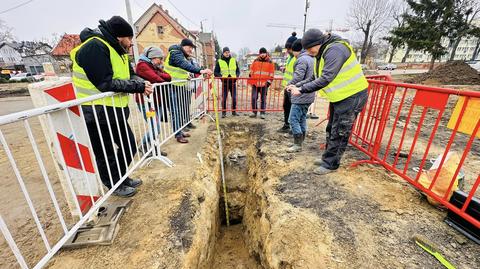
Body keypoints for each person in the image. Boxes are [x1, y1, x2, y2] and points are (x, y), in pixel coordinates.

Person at [71, 16, 153, 197]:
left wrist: (142, 83)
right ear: (119, 36)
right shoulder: (94, 47)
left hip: (114, 111)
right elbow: (104, 83)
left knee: (129, 145)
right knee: (105, 152)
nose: (131, 43)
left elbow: (130, 74)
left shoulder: (117, 50)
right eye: (129, 38)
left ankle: (121, 178)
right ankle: (114, 185)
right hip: (96, 112)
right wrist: (138, 86)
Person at [287, 29, 369, 175]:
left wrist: (301, 90)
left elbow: (325, 78)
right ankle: (327, 158)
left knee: (340, 131)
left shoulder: (335, 50)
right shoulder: (321, 52)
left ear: (317, 43)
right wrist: (298, 85)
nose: (308, 51)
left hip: (352, 96)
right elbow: (314, 77)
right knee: (331, 129)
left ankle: (331, 164)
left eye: (309, 48)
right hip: (340, 97)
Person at [164, 38, 212, 143]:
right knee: (176, 112)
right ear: (183, 46)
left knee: (180, 110)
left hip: (179, 86)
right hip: (172, 87)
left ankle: (180, 131)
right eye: (190, 47)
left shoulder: (181, 55)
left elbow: (181, 69)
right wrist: (201, 70)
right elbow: (183, 65)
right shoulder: (175, 53)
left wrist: (187, 76)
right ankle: (178, 134)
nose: (191, 50)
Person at [134, 46, 171, 157]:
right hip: (146, 103)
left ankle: (154, 148)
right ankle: (143, 146)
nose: (161, 61)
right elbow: (157, 79)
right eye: (160, 58)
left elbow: (169, 77)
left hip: (155, 102)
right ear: (153, 57)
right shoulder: (142, 66)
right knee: (155, 128)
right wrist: (159, 75)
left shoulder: (153, 66)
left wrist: (159, 74)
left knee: (155, 127)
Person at [286, 39, 315, 153]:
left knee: (293, 119)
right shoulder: (311, 58)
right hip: (308, 94)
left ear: (295, 50)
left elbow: (298, 77)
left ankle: (297, 144)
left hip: (301, 95)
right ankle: (300, 142)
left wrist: (290, 85)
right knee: (302, 118)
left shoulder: (302, 60)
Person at [248, 47, 275, 119]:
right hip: (255, 84)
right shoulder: (255, 61)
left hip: (264, 84)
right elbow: (251, 72)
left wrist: (268, 83)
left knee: (263, 99)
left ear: (266, 53)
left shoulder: (270, 62)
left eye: (264, 53)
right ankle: (254, 112)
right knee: (254, 98)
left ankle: (262, 113)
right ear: (259, 54)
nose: (262, 54)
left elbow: (271, 74)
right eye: (261, 53)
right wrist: (251, 81)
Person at [278, 32, 298, 133]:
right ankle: (286, 124)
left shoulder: (297, 58)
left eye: (289, 48)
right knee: (286, 106)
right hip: (287, 87)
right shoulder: (290, 58)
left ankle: (292, 128)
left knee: (293, 109)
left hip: (293, 88)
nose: (287, 51)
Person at [214, 47, 240, 118]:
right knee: (224, 98)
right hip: (225, 83)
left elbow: (238, 70)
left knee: (234, 98)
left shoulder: (233, 60)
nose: (227, 53)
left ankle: (234, 112)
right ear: (223, 53)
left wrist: (237, 76)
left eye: (228, 52)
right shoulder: (219, 61)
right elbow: (215, 72)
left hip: (233, 83)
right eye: (225, 52)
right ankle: (223, 113)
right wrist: (221, 77)